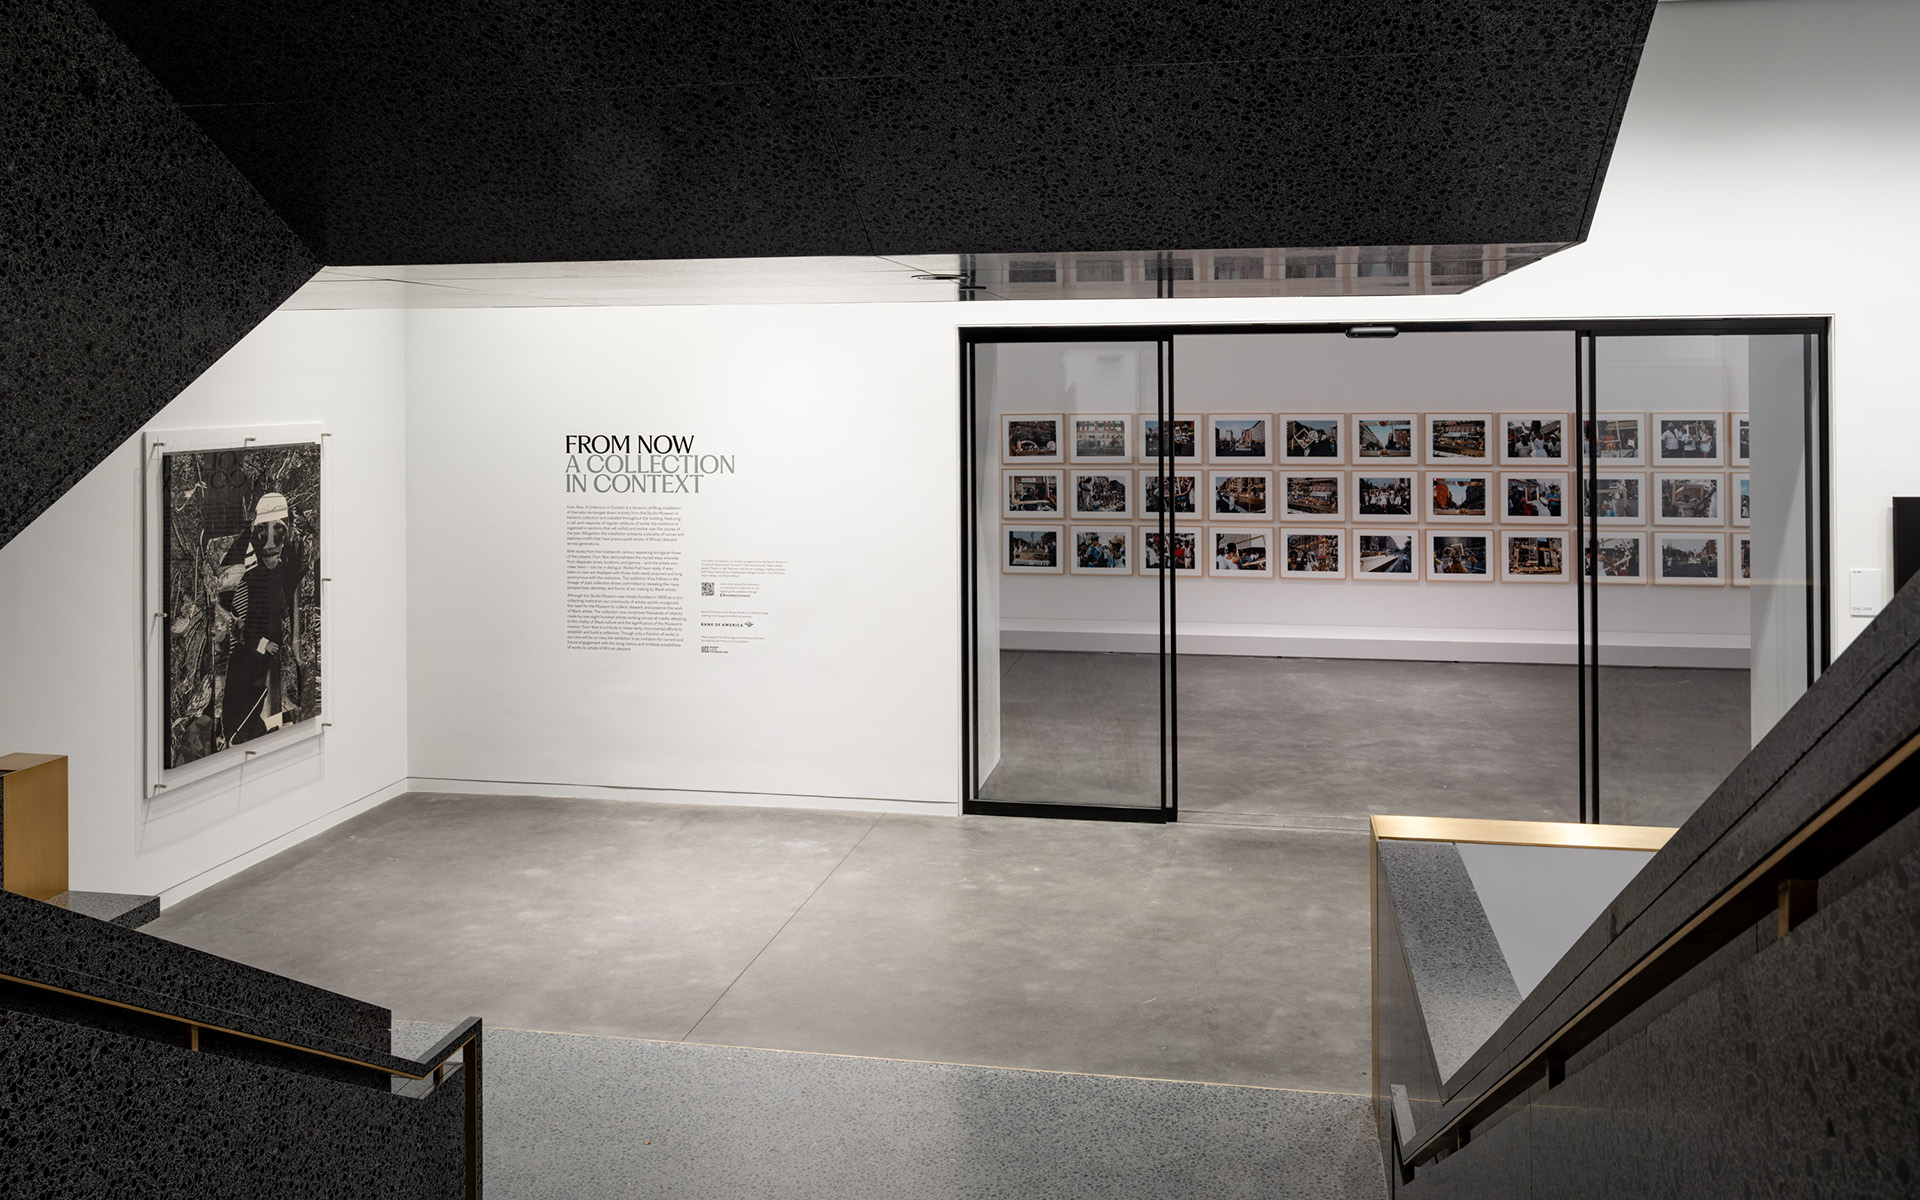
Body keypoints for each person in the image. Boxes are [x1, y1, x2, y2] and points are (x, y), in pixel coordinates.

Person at [219, 492, 303, 748]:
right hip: (252, 657)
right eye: (262, 530)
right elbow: (236, 622)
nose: (269, 543)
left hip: (273, 654)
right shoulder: (244, 573)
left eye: (278, 529)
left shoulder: (288, 564)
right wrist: (260, 643)